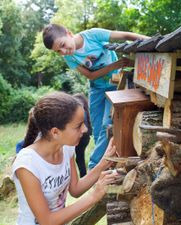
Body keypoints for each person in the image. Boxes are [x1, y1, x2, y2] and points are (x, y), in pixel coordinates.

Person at [42, 24, 150, 169]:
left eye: (62, 45)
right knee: (98, 130)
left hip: (114, 86)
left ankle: (94, 167)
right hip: (96, 89)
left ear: (69, 33)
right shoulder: (69, 57)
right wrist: (116, 64)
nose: (63, 52)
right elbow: (90, 75)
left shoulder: (93, 35)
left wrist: (152, 41)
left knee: (107, 125)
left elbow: (126, 35)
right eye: (58, 51)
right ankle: (107, 164)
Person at [12, 91, 118, 225]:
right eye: (78, 125)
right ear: (55, 132)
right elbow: (47, 221)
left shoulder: (66, 147)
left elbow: (75, 189)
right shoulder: (27, 164)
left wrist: (104, 163)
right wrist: (94, 196)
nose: (85, 129)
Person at [73, 93, 92, 177]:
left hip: (78, 135)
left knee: (74, 157)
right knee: (80, 157)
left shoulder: (75, 108)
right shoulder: (86, 109)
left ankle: (82, 176)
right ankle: (83, 176)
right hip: (85, 136)